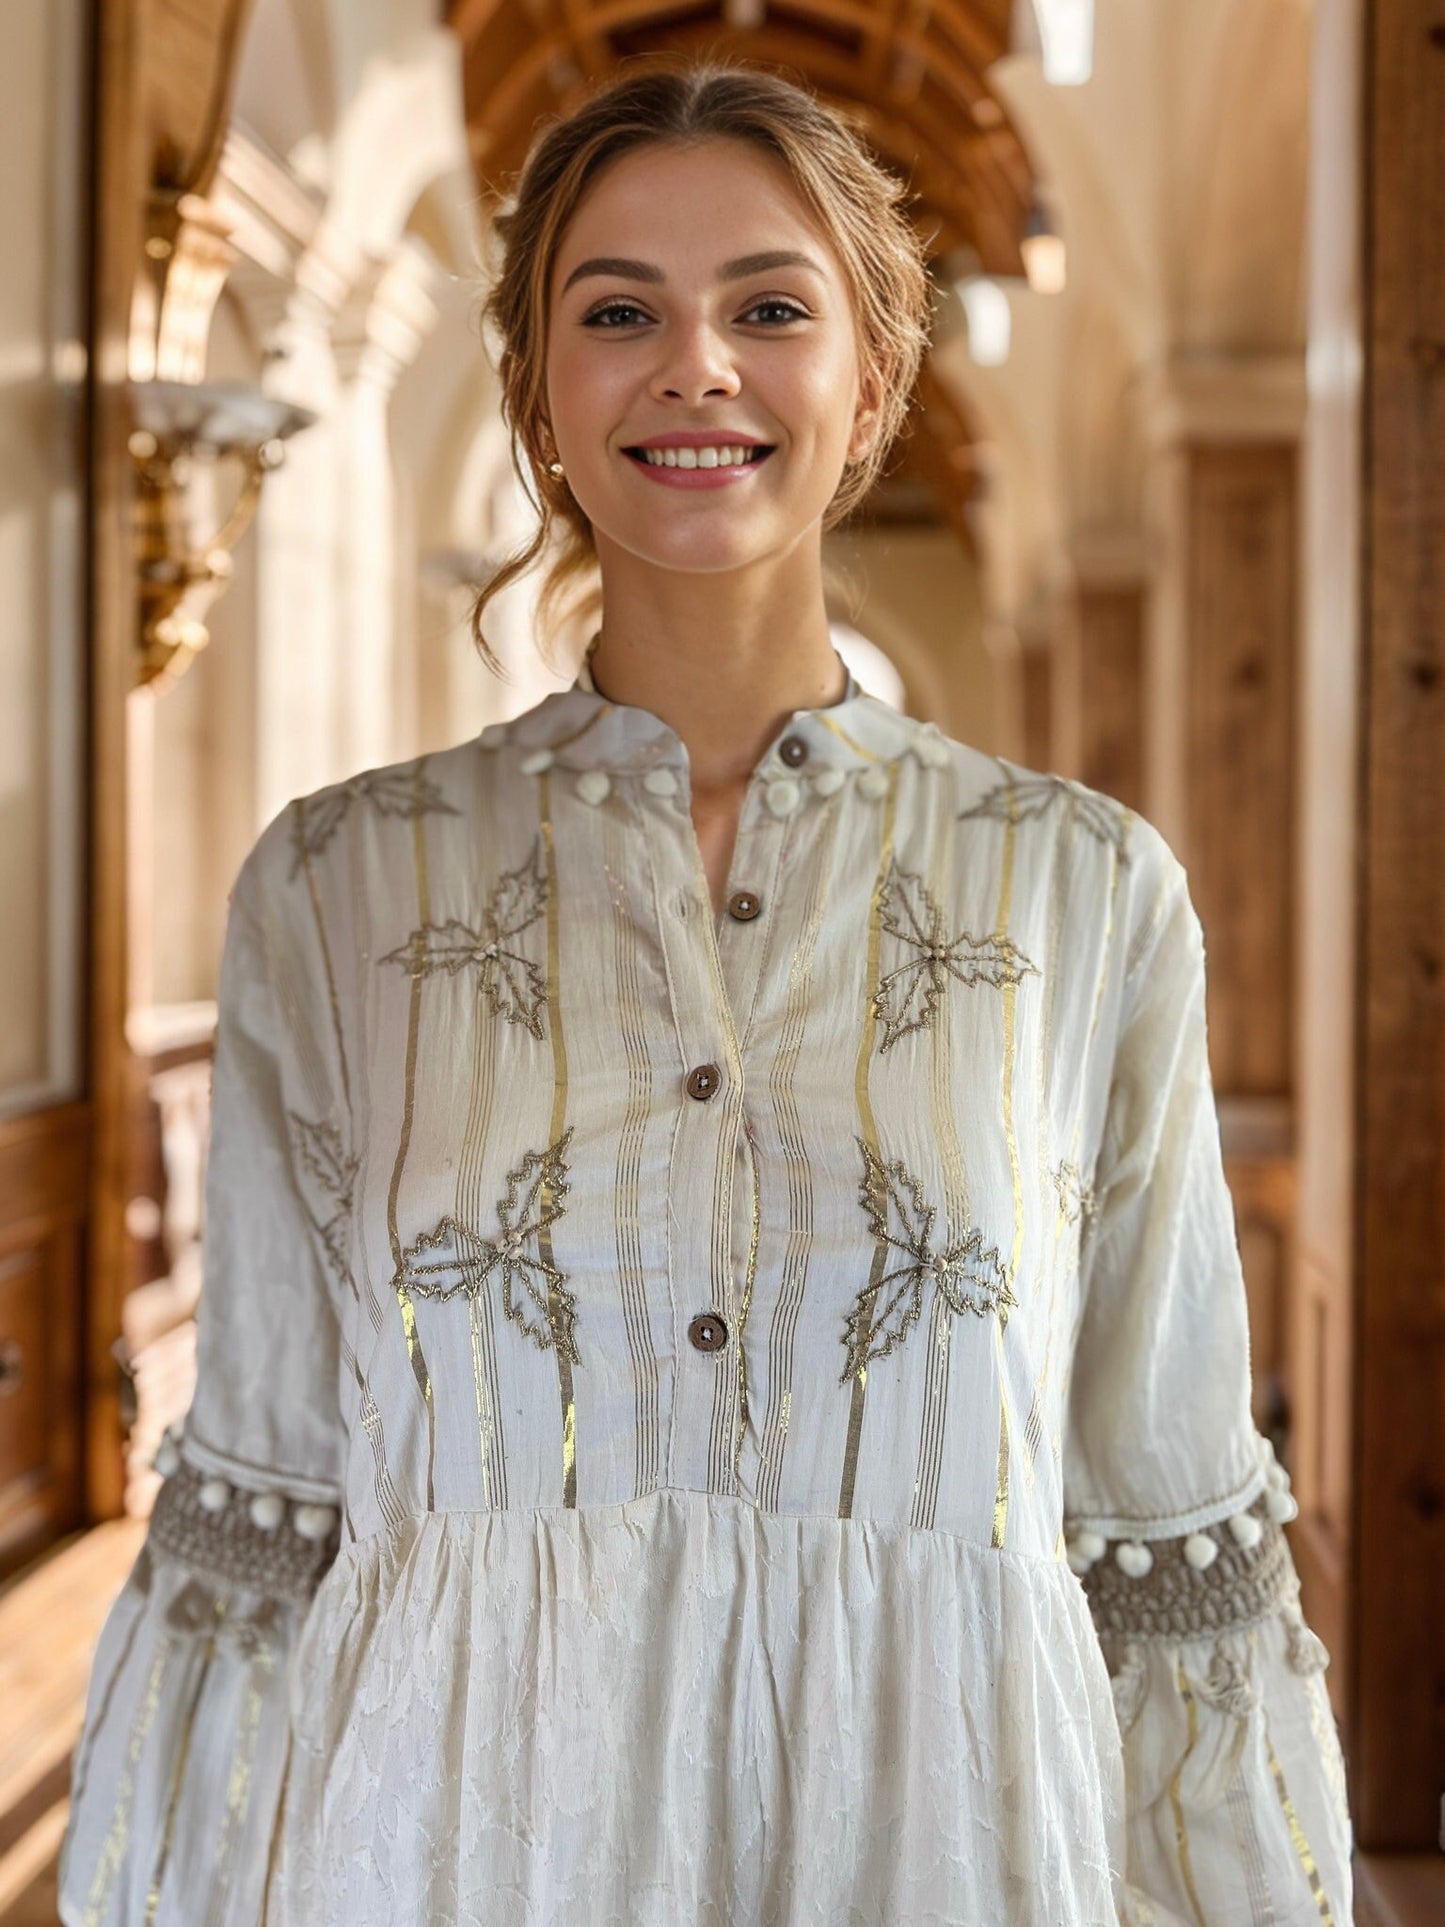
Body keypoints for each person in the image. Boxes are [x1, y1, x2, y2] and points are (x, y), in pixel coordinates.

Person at [60, 59, 1352, 1926]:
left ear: (874, 378)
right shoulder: (339, 890)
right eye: (617, 314)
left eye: (768, 306)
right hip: (451, 1848)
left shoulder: (1083, 895)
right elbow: (264, 1490)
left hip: (947, 1851)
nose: (697, 368)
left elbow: (1159, 1513)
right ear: (534, 391)